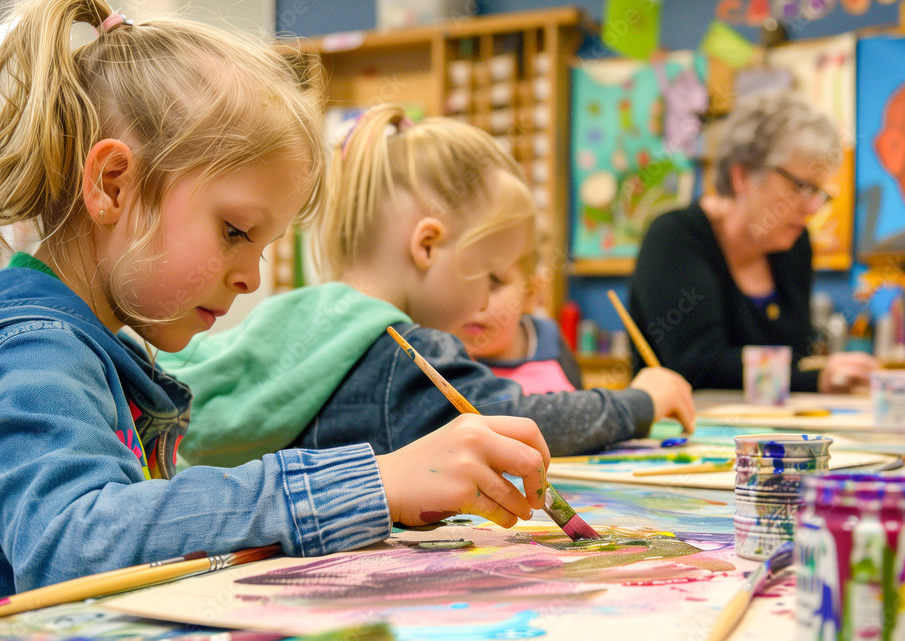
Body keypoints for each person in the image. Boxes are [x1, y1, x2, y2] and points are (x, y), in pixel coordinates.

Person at [0, 1, 553, 619]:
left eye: (266, 245)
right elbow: (76, 543)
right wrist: (372, 482)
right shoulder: (29, 350)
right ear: (112, 185)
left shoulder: (99, 344)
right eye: (237, 232)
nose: (252, 276)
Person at [160, 104, 695, 470]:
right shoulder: (401, 351)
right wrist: (641, 401)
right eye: (489, 274)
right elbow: (521, 425)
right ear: (428, 246)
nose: (488, 301)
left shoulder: (298, 316)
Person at [628, 91, 878, 393]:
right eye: (800, 186)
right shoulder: (674, 239)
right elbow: (697, 367)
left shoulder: (793, 244)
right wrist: (815, 379)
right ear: (742, 176)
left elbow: (797, 354)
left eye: (818, 192)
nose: (813, 207)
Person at [453, 235, 583, 393]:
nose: (473, 301)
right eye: (459, 283)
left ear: (529, 293)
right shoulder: (436, 359)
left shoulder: (554, 349)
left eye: (493, 283)